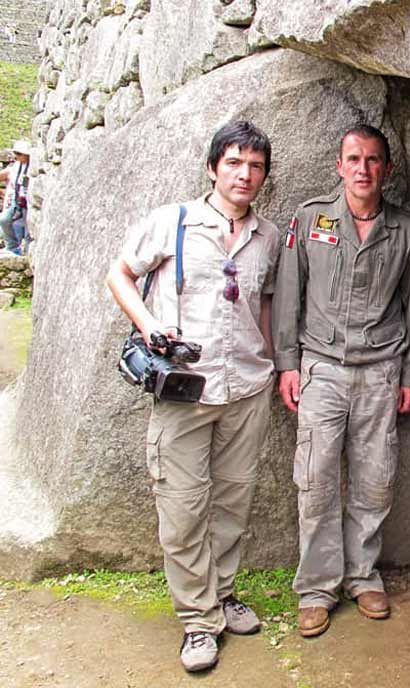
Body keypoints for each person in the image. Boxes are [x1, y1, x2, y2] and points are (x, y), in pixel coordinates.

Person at [105, 121, 280, 672]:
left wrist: (274, 362)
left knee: (233, 502)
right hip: (185, 390)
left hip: (247, 387)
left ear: (264, 177)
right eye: (234, 163)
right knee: (182, 511)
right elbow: (120, 274)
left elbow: (265, 305)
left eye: (255, 166)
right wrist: (151, 325)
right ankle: (198, 622)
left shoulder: (268, 236)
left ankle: (223, 596)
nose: (244, 175)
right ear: (212, 168)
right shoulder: (174, 221)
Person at [273, 124, 410, 637]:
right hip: (320, 368)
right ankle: (317, 587)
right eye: (353, 159)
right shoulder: (310, 218)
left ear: (386, 169)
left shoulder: (406, 231)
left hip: (381, 372)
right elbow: (289, 294)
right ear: (339, 166)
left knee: (376, 478)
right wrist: (287, 363)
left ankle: (363, 575)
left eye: (373, 160)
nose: (363, 169)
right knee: (315, 479)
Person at [0, 140, 31, 255]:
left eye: (19, 154)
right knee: (4, 220)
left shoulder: (33, 167)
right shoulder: (14, 167)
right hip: (16, 200)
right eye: (16, 154)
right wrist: (4, 192)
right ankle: (12, 247)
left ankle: (28, 254)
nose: (17, 156)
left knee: (29, 231)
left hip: (28, 201)